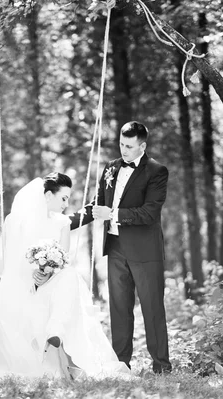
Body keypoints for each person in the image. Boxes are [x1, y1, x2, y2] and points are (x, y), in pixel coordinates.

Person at [0, 173, 130, 379]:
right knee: (65, 285)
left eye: (68, 198)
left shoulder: (62, 223)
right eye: (63, 198)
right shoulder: (15, 221)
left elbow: (64, 260)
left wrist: (48, 274)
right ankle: (55, 330)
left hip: (53, 285)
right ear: (48, 195)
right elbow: (10, 263)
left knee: (69, 275)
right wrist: (34, 276)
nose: (66, 204)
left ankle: (55, 330)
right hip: (25, 287)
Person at [70, 121, 171, 374]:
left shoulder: (157, 171)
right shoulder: (111, 167)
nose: (123, 150)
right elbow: (97, 205)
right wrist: (66, 222)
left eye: (129, 146)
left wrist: (113, 214)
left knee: (152, 310)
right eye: (121, 144)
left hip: (146, 252)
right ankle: (121, 365)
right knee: (119, 310)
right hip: (115, 249)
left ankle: (161, 367)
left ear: (143, 146)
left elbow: (149, 213)